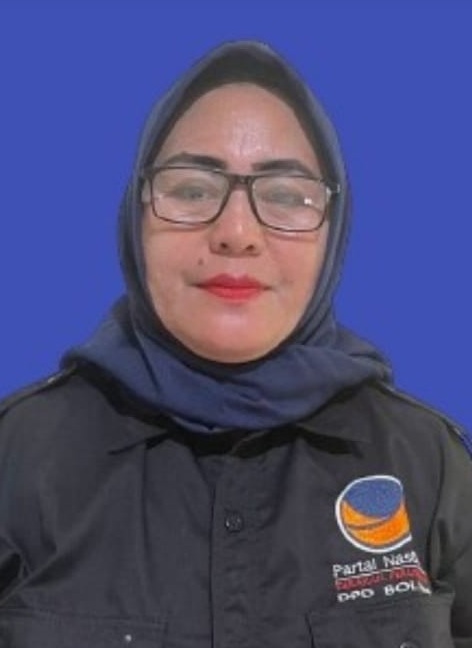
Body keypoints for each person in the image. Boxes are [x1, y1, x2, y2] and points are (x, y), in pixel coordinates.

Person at [0, 40, 471, 647]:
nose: (236, 232)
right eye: (193, 190)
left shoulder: (429, 465)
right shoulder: (17, 459)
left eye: (285, 195)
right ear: (134, 216)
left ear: (335, 230)